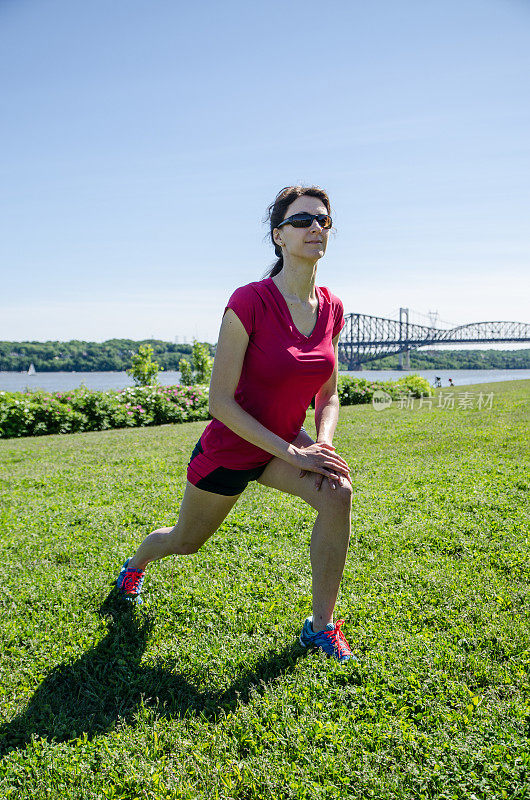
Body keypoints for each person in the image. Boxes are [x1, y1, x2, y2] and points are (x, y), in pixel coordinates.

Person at [115, 185, 355, 663]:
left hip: (285, 445)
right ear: (278, 237)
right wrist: (294, 452)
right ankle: (134, 566)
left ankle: (320, 626)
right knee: (185, 541)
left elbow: (327, 394)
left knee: (339, 491)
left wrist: (322, 446)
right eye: (303, 220)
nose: (315, 228)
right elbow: (219, 402)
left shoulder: (332, 308)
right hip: (232, 445)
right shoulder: (248, 302)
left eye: (323, 221)